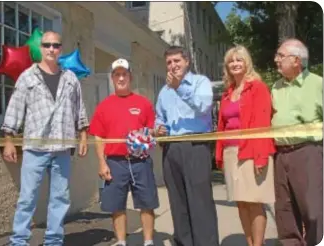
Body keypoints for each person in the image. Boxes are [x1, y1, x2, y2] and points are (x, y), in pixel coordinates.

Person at [1, 31, 89, 245]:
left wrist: (83, 135)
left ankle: (54, 240)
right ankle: (19, 240)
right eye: (47, 45)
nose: (51, 49)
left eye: (56, 45)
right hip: (34, 148)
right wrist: (9, 140)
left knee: (60, 198)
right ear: (40, 48)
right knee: (27, 197)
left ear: (60, 49)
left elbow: (80, 110)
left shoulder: (70, 79)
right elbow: (15, 109)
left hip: (62, 148)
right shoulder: (27, 77)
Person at [88, 58, 159, 246]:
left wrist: (144, 137)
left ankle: (149, 241)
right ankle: (121, 241)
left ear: (130, 76)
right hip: (115, 162)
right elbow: (99, 137)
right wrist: (102, 163)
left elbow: (152, 130)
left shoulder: (143, 103)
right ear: (112, 78)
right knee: (117, 206)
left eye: (124, 74)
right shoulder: (104, 106)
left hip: (140, 161)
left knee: (147, 203)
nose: (121, 78)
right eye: (117, 75)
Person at [155, 46, 219, 246]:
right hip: (171, 149)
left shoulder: (201, 82)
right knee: (178, 202)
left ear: (187, 62)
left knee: (200, 202)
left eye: (177, 61)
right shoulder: (164, 91)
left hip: (195, 145)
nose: (173, 66)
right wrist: (158, 128)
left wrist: (179, 87)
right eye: (169, 62)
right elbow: (159, 117)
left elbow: (203, 106)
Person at [215, 45, 276, 246]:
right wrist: (219, 154)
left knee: (254, 202)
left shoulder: (258, 88)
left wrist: (260, 156)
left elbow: (263, 123)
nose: (235, 64)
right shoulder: (227, 93)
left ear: (246, 62)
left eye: (239, 60)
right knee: (241, 203)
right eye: (231, 61)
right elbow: (222, 126)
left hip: (252, 151)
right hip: (231, 152)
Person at [271, 38, 323, 246]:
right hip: (280, 154)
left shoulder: (318, 84)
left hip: (307, 152)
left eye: (281, 56)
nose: (276, 60)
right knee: (285, 212)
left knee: (313, 211)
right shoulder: (276, 87)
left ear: (296, 60)